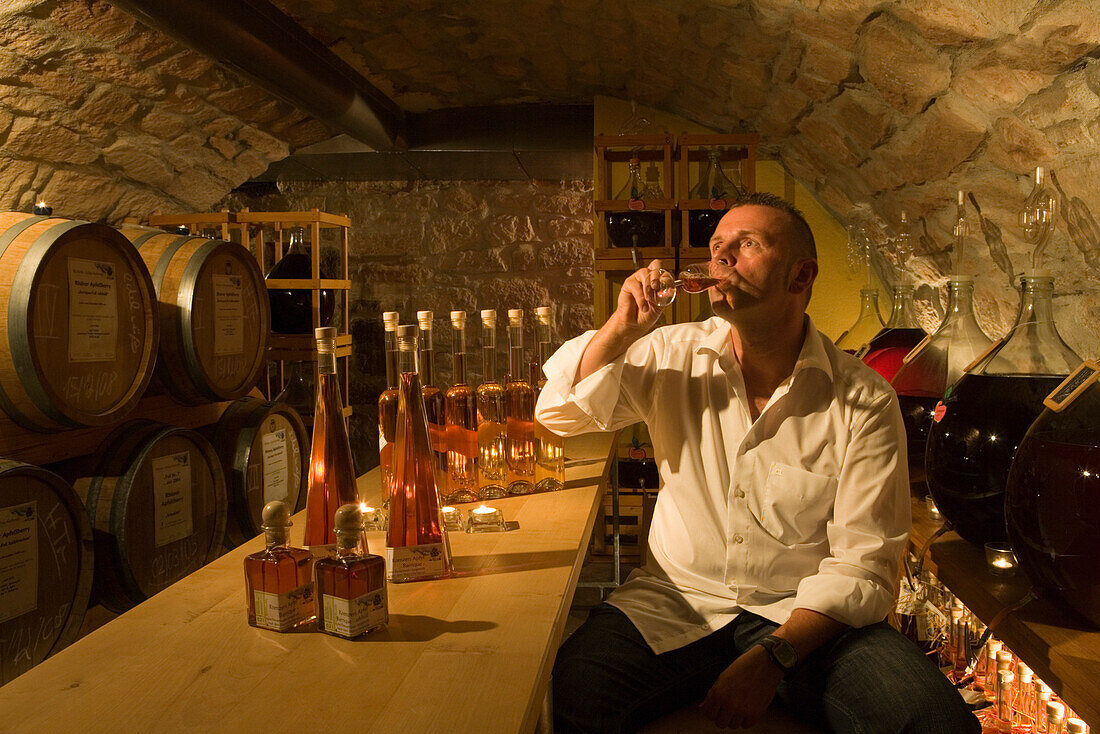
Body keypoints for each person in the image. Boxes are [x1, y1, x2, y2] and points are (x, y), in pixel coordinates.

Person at [535, 193, 978, 733]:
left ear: (800, 276)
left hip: (802, 618)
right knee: (575, 689)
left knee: (934, 721)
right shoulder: (672, 353)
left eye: (745, 246)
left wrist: (776, 657)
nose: (720, 259)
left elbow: (864, 562)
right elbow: (558, 412)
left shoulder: (862, 398)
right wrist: (623, 329)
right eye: (716, 246)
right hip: (677, 601)